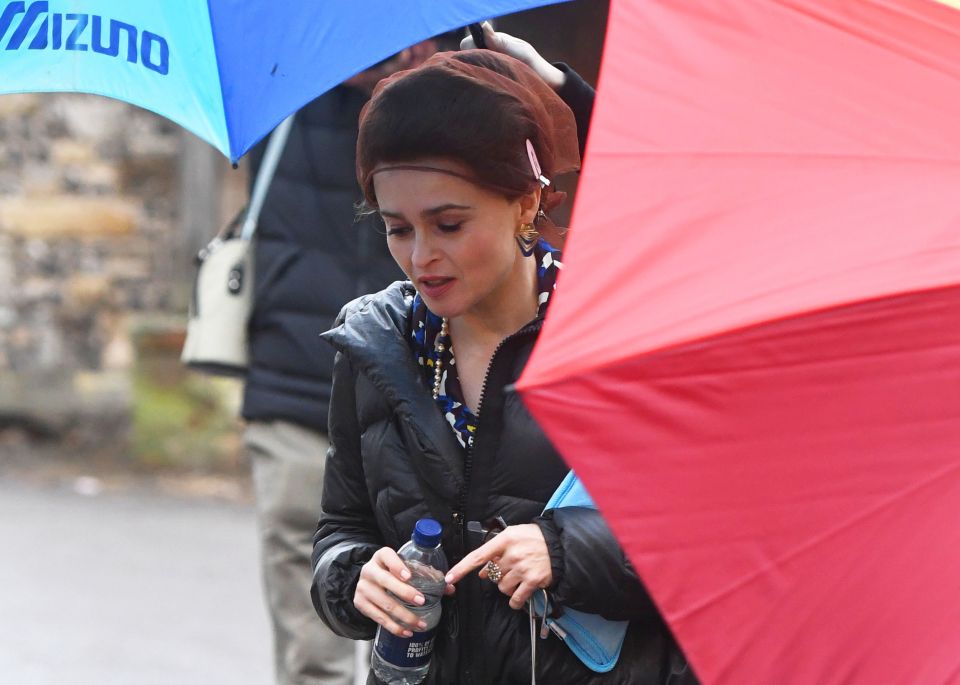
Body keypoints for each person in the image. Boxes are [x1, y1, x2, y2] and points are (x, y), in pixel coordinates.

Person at [311, 48, 695, 684]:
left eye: (450, 223)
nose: (421, 256)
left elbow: (709, 541)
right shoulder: (375, 343)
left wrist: (566, 552)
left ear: (524, 204)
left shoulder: (622, 337)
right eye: (397, 228)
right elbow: (340, 527)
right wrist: (355, 577)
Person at [242, 38, 444, 685]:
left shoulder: (456, 93)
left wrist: (434, 82)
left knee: (427, 616)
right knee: (312, 640)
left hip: (429, 397)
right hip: (297, 378)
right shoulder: (274, 76)